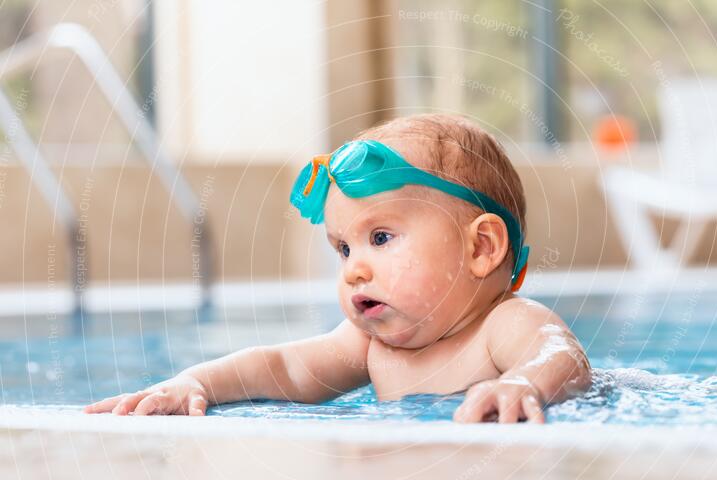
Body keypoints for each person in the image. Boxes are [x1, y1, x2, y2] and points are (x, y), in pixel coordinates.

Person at [84, 114, 591, 423]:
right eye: (343, 250)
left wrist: (524, 385)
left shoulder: (504, 325)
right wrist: (195, 383)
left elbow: (562, 356)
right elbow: (281, 368)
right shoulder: (372, 345)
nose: (353, 270)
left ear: (481, 247)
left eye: (380, 238)